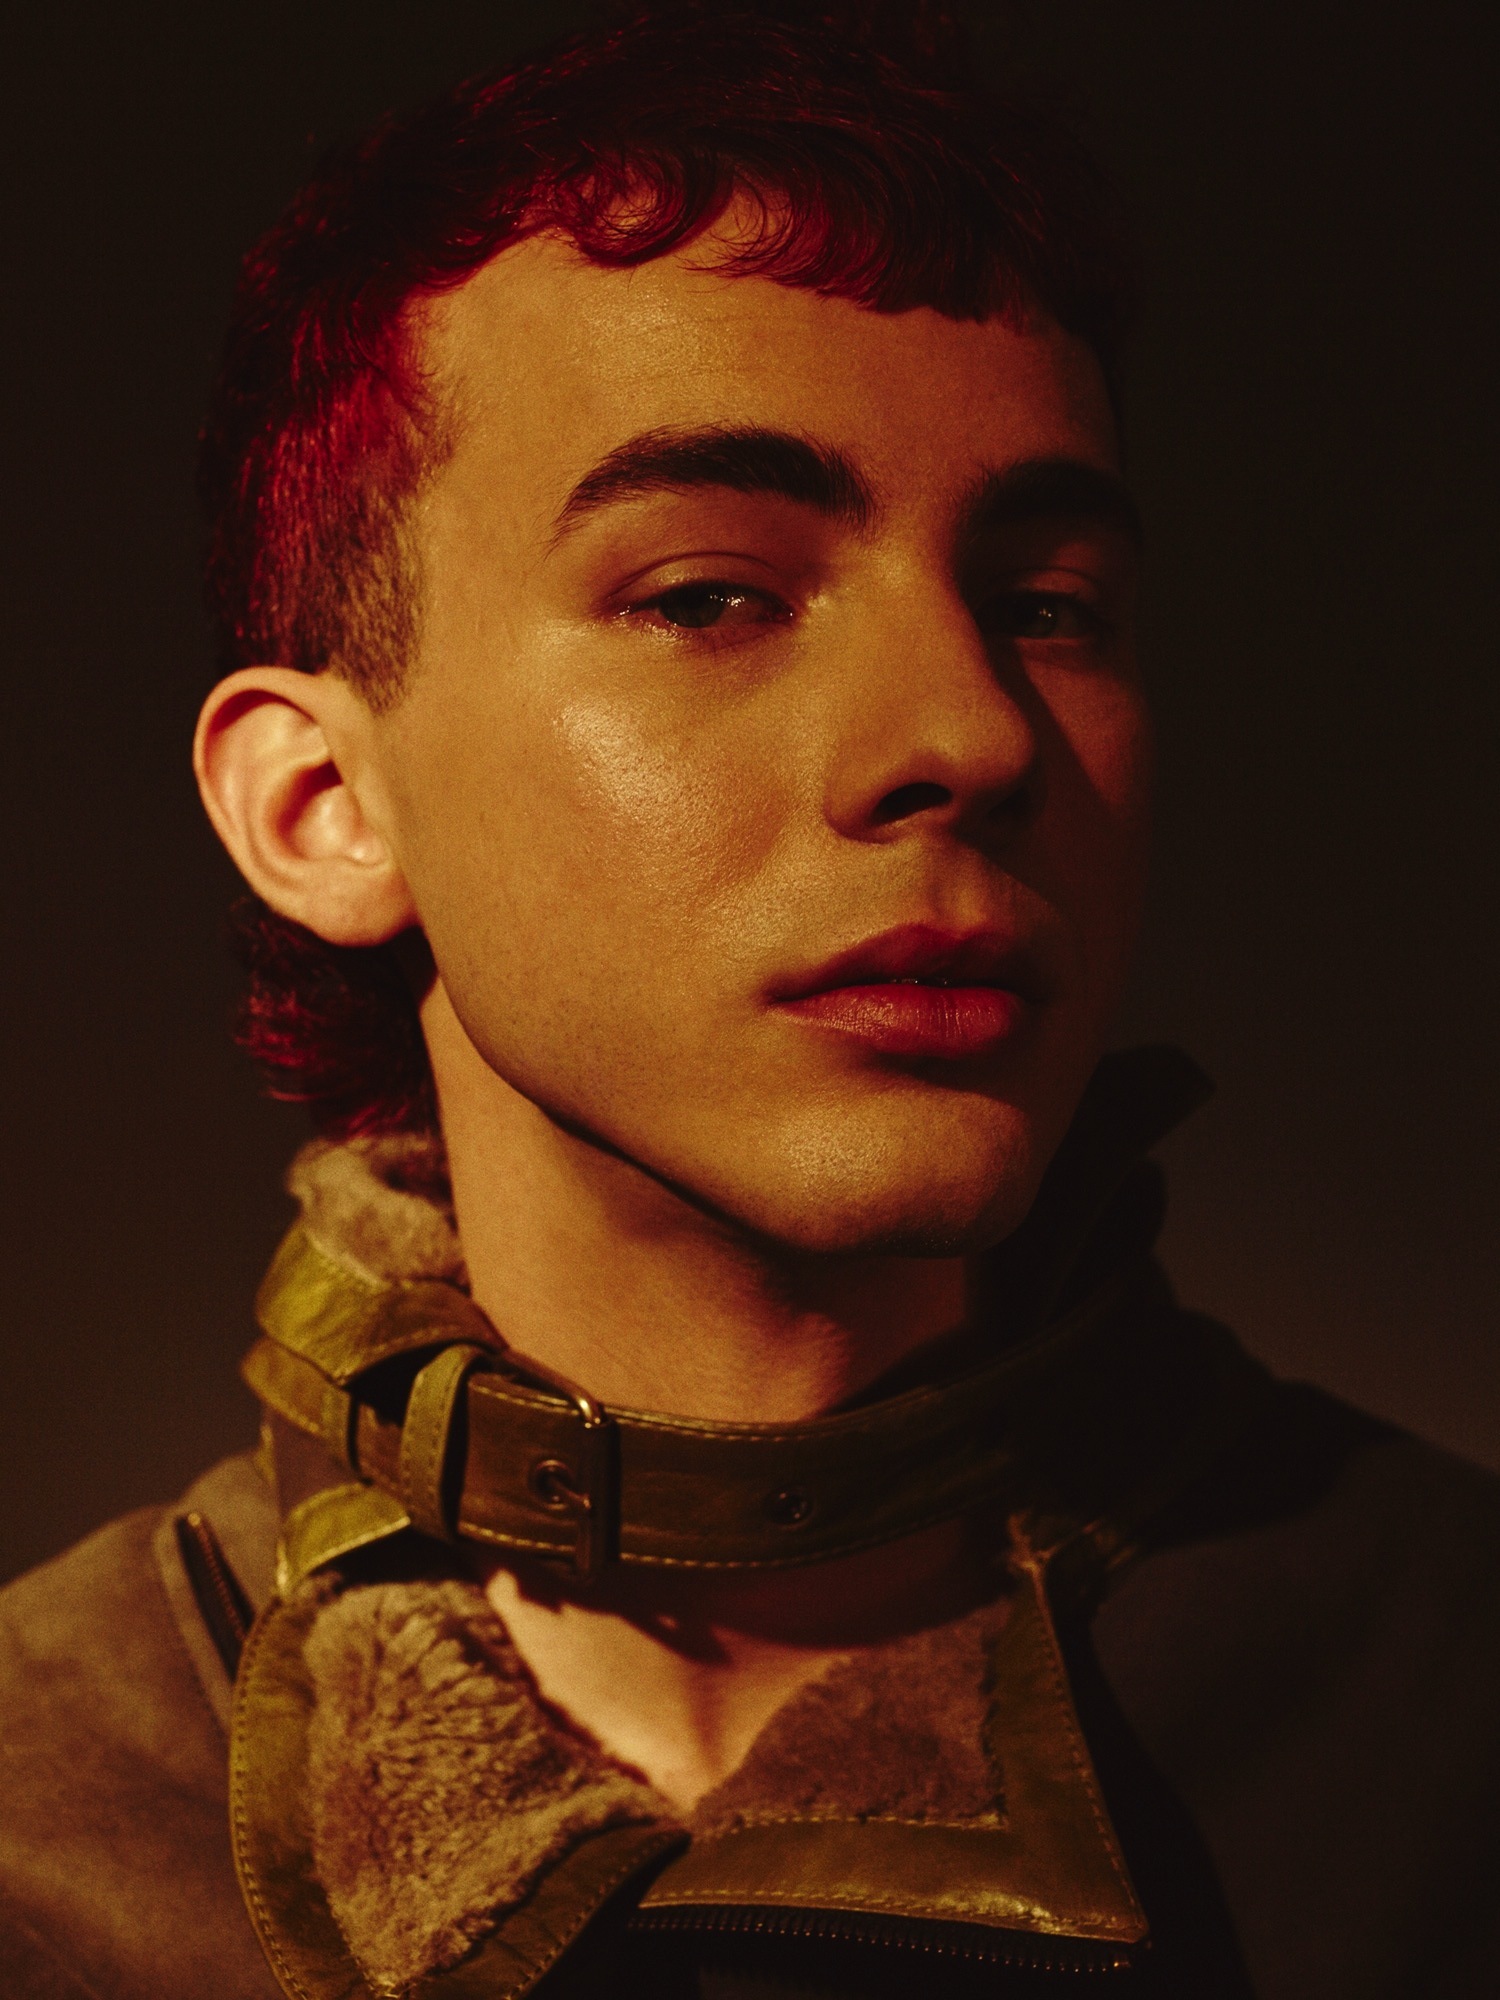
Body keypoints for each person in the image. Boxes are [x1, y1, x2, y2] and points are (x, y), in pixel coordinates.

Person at [2, 6, 1497, 1997]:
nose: (972, 733)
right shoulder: (43, 1819)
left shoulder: (1455, 1713)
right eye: (710, 594)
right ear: (324, 805)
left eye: (1048, 606)